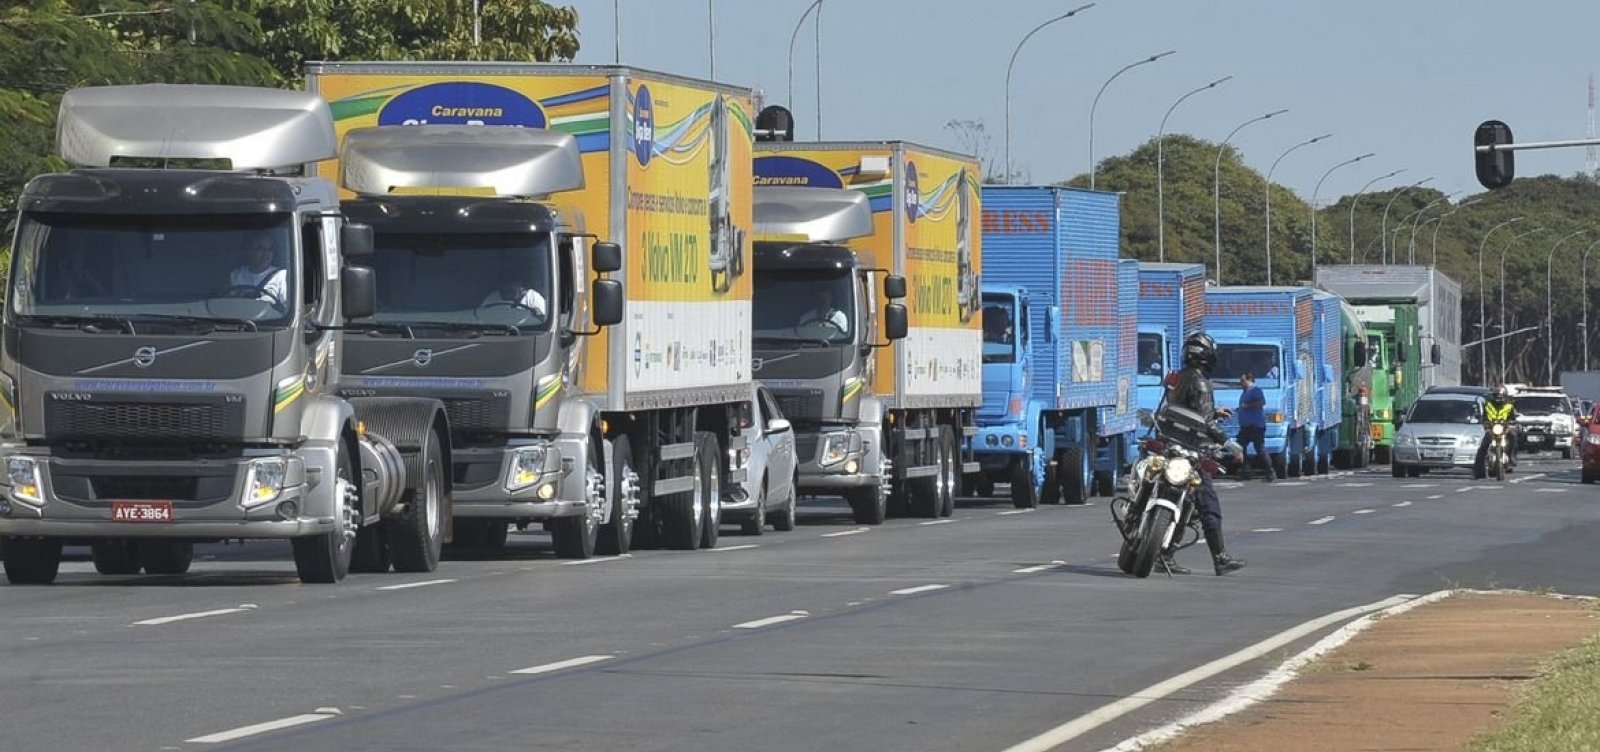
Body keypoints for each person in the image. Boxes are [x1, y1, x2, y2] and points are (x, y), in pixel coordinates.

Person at [1161, 331, 1247, 576]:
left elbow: (1182, 409)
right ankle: (1219, 558)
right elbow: (1205, 423)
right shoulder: (1200, 382)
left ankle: (1165, 552)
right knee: (1207, 505)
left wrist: (1214, 412)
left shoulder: (1179, 378)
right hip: (1192, 451)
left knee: (1184, 503)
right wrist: (1230, 443)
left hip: (1171, 444)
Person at [228, 233, 288, 307]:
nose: (266, 253)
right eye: (260, 249)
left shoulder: (281, 275)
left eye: (270, 249)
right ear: (249, 251)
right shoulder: (235, 276)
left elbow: (286, 306)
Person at [1234, 372, 1275, 482]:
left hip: (1255, 425)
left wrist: (1247, 406)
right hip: (1246, 426)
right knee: (1240, 447)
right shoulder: (1245, 392)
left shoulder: (1255, 390)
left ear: (1249, 380)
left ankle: (1270, 472)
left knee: (1259, 448)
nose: (1241, 383)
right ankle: (1245, 471)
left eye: (1242, 380)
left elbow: (1261, 402)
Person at [1476, 384, 1518, 477]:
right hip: (1492, 428)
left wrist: (1511, 425)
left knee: (1513, 436)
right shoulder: (1488, 404)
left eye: (1501, 397)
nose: (1499, 399)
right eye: (1497, 396)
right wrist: (1486, 425)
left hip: (1504, 428)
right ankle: (1479, 470)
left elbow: (1513, 418)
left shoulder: (1509, 405)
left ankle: (1511, 458)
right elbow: (1484, 417)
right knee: (1483, 446)